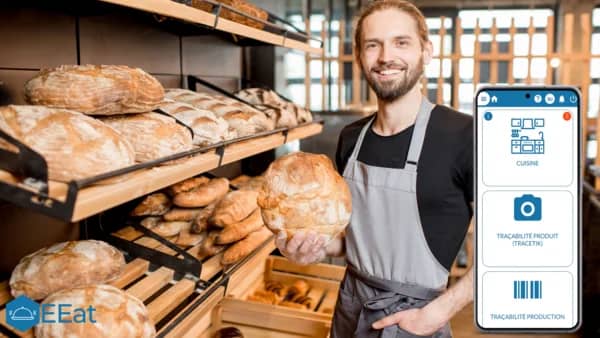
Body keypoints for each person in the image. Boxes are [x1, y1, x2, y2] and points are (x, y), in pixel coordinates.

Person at [275, 1, 474, 337]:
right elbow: (350, 240)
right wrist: (311, 248)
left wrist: (436, 314)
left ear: (426, 51)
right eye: (373, 45)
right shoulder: (350, 139)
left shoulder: (464, 135)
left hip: (417, 322)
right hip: (350, 310)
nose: (385, 57)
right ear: (360, 56)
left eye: (401, 42)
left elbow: (508, 250)